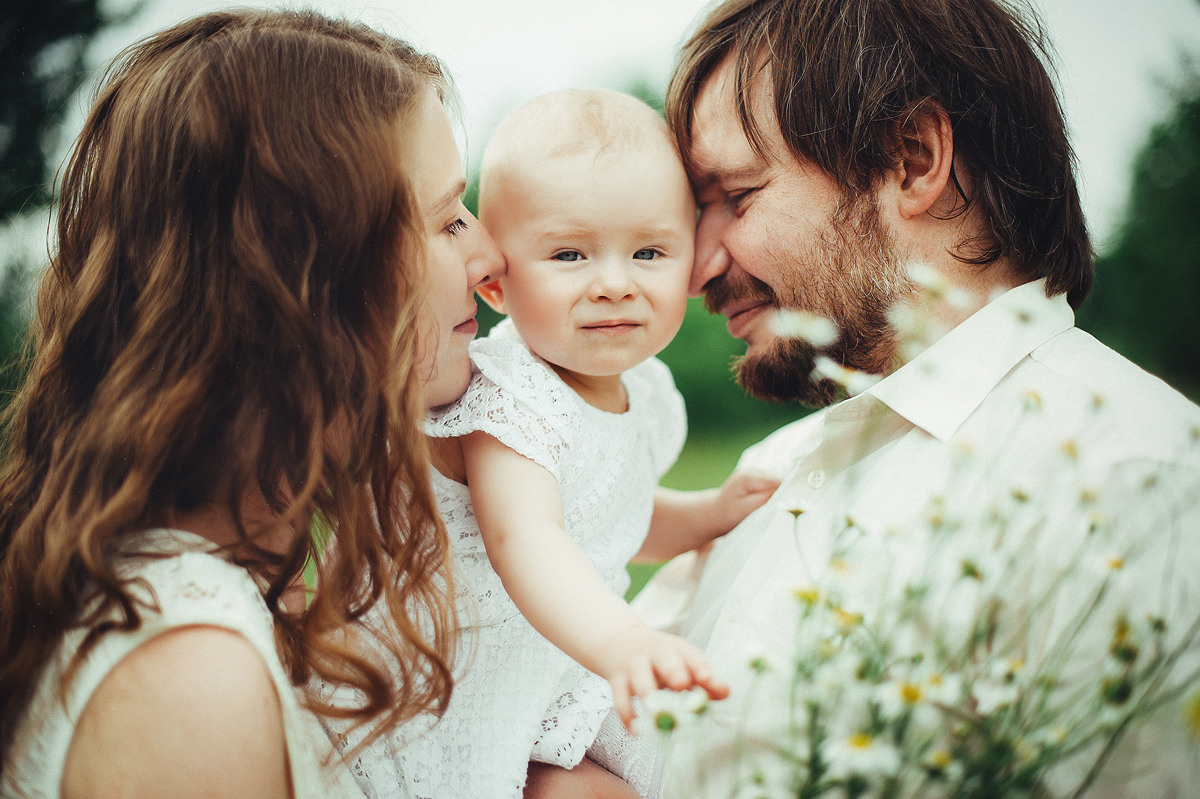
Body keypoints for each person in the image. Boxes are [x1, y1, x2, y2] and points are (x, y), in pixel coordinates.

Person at [632, 0, 1200, 795]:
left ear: (912, 159)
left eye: (737, 195)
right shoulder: (771, 475)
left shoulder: (1142, 484)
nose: (696, 268)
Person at [0, 10, 499, 797]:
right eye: (446, 220)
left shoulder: (250, 579)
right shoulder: (189, 676)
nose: (488, 254)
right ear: (305, 277)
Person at [348, 89, 778, 799]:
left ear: (691, 262)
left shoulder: (645, 388)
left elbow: (609, 516)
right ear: (495, 283)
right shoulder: (510, 394)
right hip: (473, 679)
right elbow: (528, 537)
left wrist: (708, 513)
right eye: (570, 254)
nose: (613, 284)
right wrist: (623, 642)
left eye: (648, 251)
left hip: (560, 660)